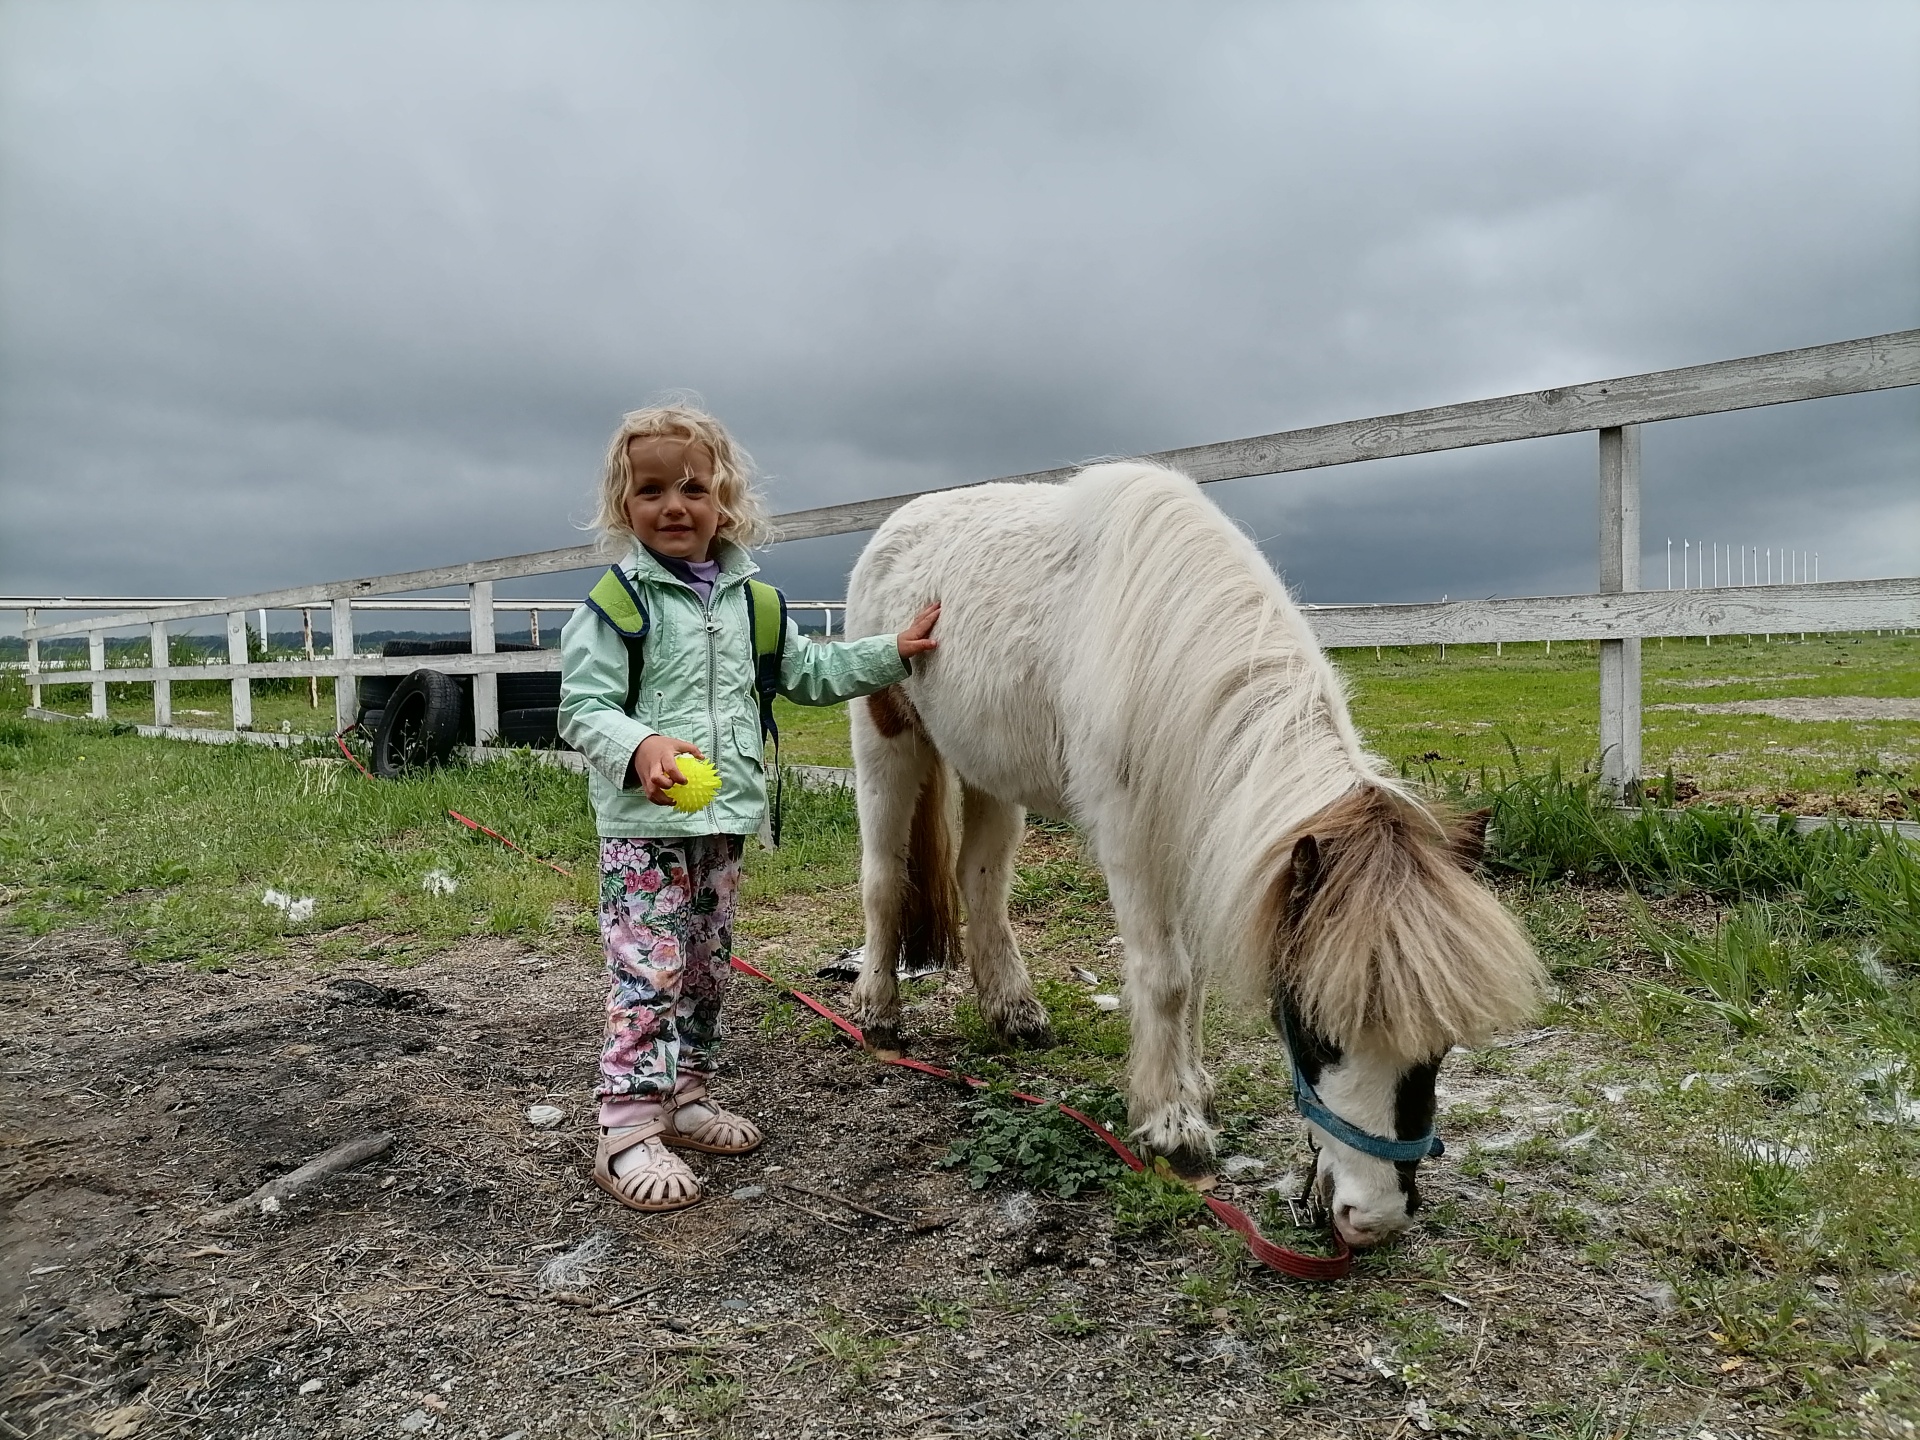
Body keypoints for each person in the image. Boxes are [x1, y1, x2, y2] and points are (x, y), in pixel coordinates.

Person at [559, 404, 938, 1212]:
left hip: (721, 823)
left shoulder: (754, 605)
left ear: (725, 502)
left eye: (692, 487)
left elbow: (808, 674)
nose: (672, 505)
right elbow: (582, 707)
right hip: (644, 830)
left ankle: (685, 1096)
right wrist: (641, 748)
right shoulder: (618, 604)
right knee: (648, 970)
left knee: (705, 969)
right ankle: (625, 1129)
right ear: (624, 506)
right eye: (650, 489)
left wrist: (891, 654)